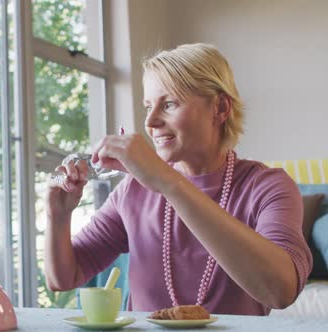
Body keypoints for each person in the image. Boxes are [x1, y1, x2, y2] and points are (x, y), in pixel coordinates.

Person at [44, 43, 312, 315]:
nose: (150, 121)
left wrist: (166, 180)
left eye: (169, 104)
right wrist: (58, 217)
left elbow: (281, 291)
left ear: (220, 107)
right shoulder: (133, 190)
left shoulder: (267, 187)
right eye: (148, 106)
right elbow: (64, 278)